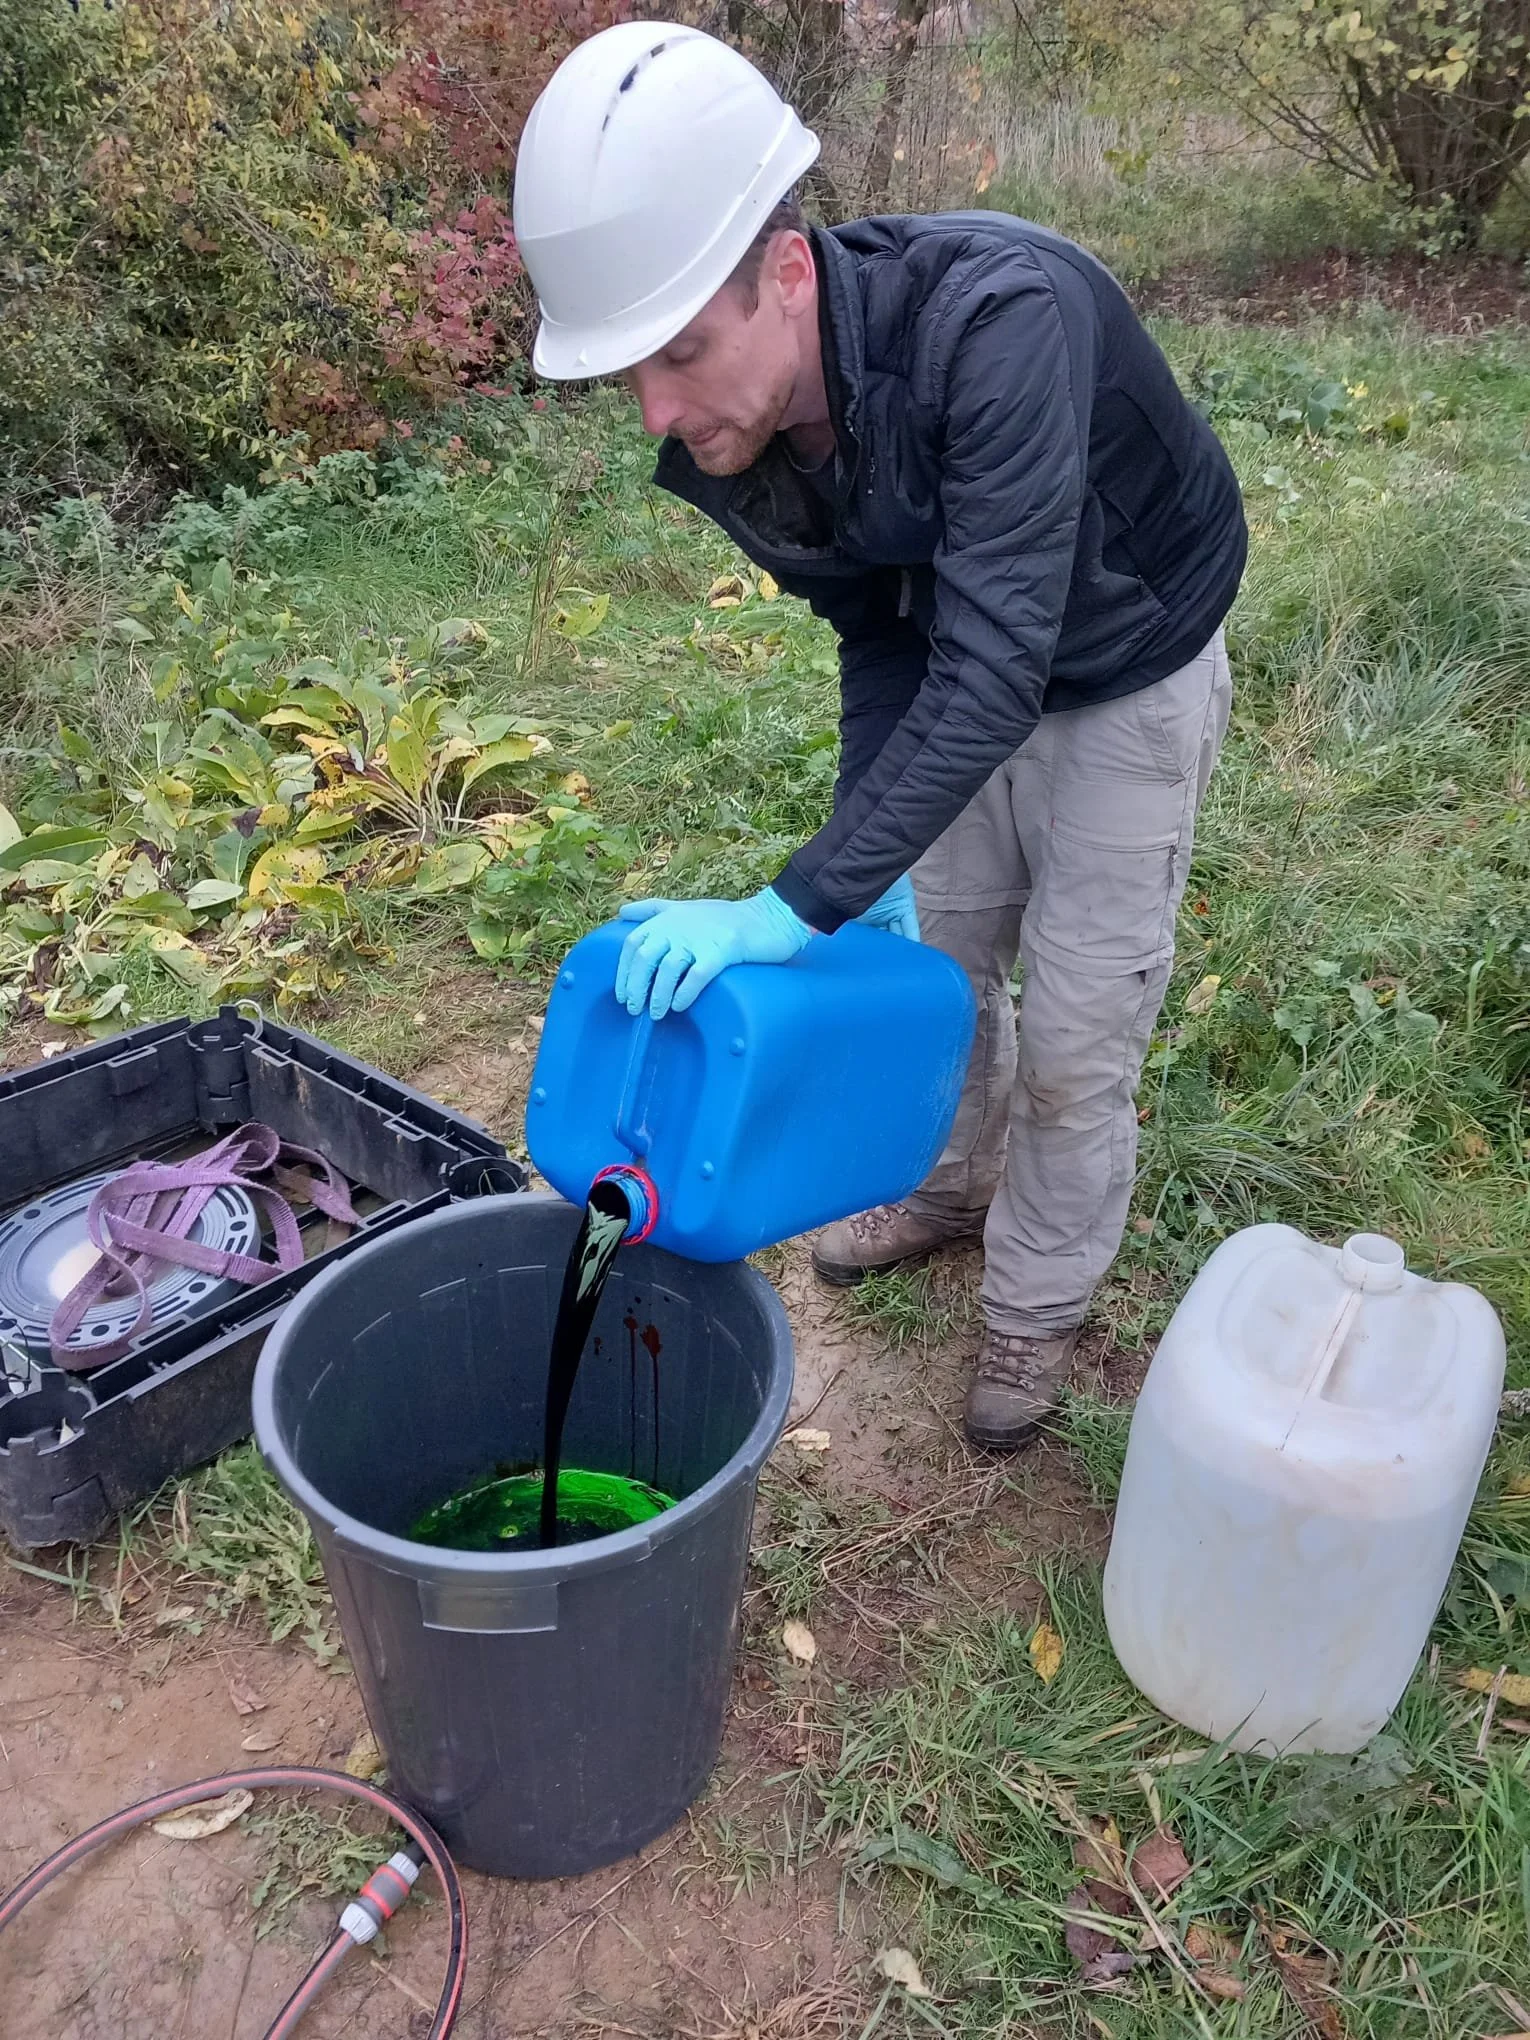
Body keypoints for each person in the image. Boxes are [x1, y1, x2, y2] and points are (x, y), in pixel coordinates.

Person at [511, 22, 1247, 1449]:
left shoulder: (995, 320)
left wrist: (796, 901)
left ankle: (1034, 1308)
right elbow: (880, 631)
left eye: (678, 354)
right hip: (971, 656)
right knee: (940, 969)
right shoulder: (732, 433)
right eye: (628, 378)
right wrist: (866, 848)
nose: (657, 412)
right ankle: (950, 1181)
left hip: (1126, 654)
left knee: (1080, 1035)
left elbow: (994, 660)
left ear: (784, 273)